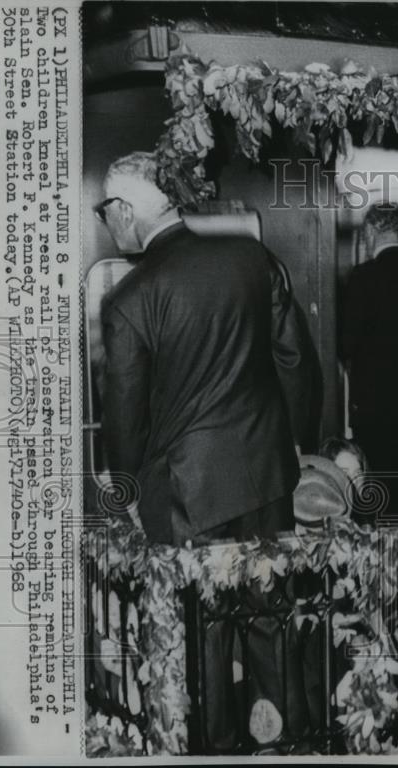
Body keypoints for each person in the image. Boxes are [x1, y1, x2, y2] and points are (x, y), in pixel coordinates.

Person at [96, 151, 312, 749]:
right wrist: (296, 444)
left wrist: (130, 494)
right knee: (270, 620)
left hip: (191, 496)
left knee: (206, 636)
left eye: (105, 212)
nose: (106, 222)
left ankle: (214, 752)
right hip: (267, 480)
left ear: (124, 211)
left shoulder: (130, 299)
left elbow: (125, 419)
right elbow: (295, 358)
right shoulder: (250, 258)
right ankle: (290, 745)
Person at [341, 203, 398, 522]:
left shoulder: (362, 278)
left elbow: (345, 344)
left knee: (377, 498)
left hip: (373, 412)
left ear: (370, 233)